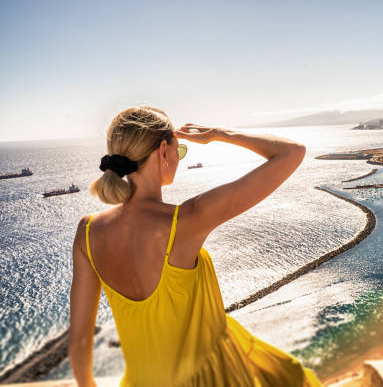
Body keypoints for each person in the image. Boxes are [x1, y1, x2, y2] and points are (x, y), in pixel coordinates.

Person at [69, 106, 322, 386]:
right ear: (163, 151)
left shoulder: (87, 232)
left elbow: (79, 343)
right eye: (179, 151)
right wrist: (219, 133)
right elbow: (292, 152)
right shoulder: (186, 221)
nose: (178, 158)